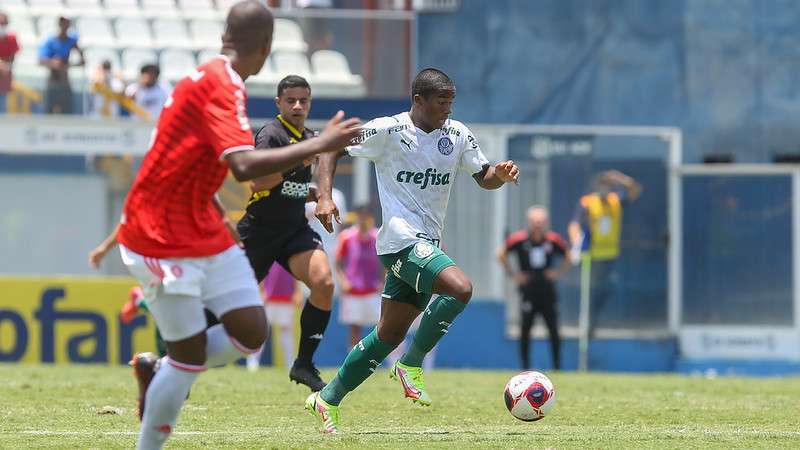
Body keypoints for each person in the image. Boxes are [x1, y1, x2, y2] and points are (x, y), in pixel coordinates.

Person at [114, 2, 361, 448]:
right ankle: (156, 413)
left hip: (199, 225)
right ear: (266, 48)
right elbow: (245, 168)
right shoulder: (222, 88)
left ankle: (162, 369)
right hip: (161, 233)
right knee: (189, 355)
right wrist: (321, 145)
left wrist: (318, 160)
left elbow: (189, 162)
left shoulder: (213, 79)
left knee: (251, 332)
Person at [307, 68, 520, 433]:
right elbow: (330, 146)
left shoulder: (457, 135)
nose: (448, 110)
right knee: (461, 288)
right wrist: (325, 196)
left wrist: (498, 175)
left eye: (451, 102)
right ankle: (411, 363)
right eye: (441, 102)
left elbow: (483, 177)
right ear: (418, 100)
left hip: (427, 243)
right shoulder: (389, 130)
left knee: (387, 335)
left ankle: (327, 398)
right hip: (399, 241)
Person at [236, 74, 338, 391]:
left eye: (303, 100)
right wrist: (301, 157)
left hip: (294, 230)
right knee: (225, 307)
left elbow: (298, 183)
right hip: (259, 231)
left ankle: (304, 364)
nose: (297, 106)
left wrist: (321, 196)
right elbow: (258, 182)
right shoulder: (271, 135)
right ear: (279, 103)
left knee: (324, 282)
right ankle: (178, 365)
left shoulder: (308, 136)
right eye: (290, 100)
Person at [568, 170, 642, 336]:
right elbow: (574, 224)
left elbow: (636, 190)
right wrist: (576, 244)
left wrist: (621, 178)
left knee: (607, 288)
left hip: (610, 253)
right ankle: (588, 322)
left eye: (609, 186)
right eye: (603, 185)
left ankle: (593, 318)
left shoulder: (616, 201)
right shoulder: (587, 202)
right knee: (591, 289)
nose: (605, 189)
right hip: (592, 254)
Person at [497, 206, 570, 370]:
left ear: (546, 223)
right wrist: (514, 275)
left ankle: (557, 367)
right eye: (534, 222)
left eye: (541, 222)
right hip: (528, 291)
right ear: (529, 222)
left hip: (547, 291)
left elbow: (568, 256)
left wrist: (557, 273)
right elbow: (500, 253)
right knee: (525, 330)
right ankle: (525, 368)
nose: (537, 225)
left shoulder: (552, 240)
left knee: (553, 330)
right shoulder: (520, 239)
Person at [335, 204, 384, 348]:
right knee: (355, 328)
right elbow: (338, 263)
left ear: (371, 218)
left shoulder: (378, 237)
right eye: (360, 216)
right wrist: (343, 281)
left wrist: (382, 281)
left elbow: (385, 262)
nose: (363, 219)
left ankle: (377, 359)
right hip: (352, 291)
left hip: (373, 291)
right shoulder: (346, 237)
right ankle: (353, 361)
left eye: (366, 216)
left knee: (380, 328)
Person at [246, 262, 302, 371]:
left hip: (286, 299)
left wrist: (298, 292)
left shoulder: (290, 254)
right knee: (261, 332)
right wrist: (261, 292)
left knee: (286, 333)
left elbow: (297, 274)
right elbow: (259, 273)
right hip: (268, 299)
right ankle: (252, 362)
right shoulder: (268, 251)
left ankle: (290, 364)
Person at [38, 16, 83, 114]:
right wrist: (53, 63)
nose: (64, 26)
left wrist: (67, 65)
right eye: (62, 23)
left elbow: (82, 61)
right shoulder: (50, 41)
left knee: (67, 113)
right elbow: (41, 60)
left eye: (66, 23)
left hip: (65, 82)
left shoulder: (71, 41)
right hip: (52, 82)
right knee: (48, 112)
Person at [0, 11, 20, 114]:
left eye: (4, 23)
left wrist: (5, 66)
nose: (2, 26)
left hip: (4, 79)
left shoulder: (11, 38)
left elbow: (12, 58)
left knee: (3, 107)